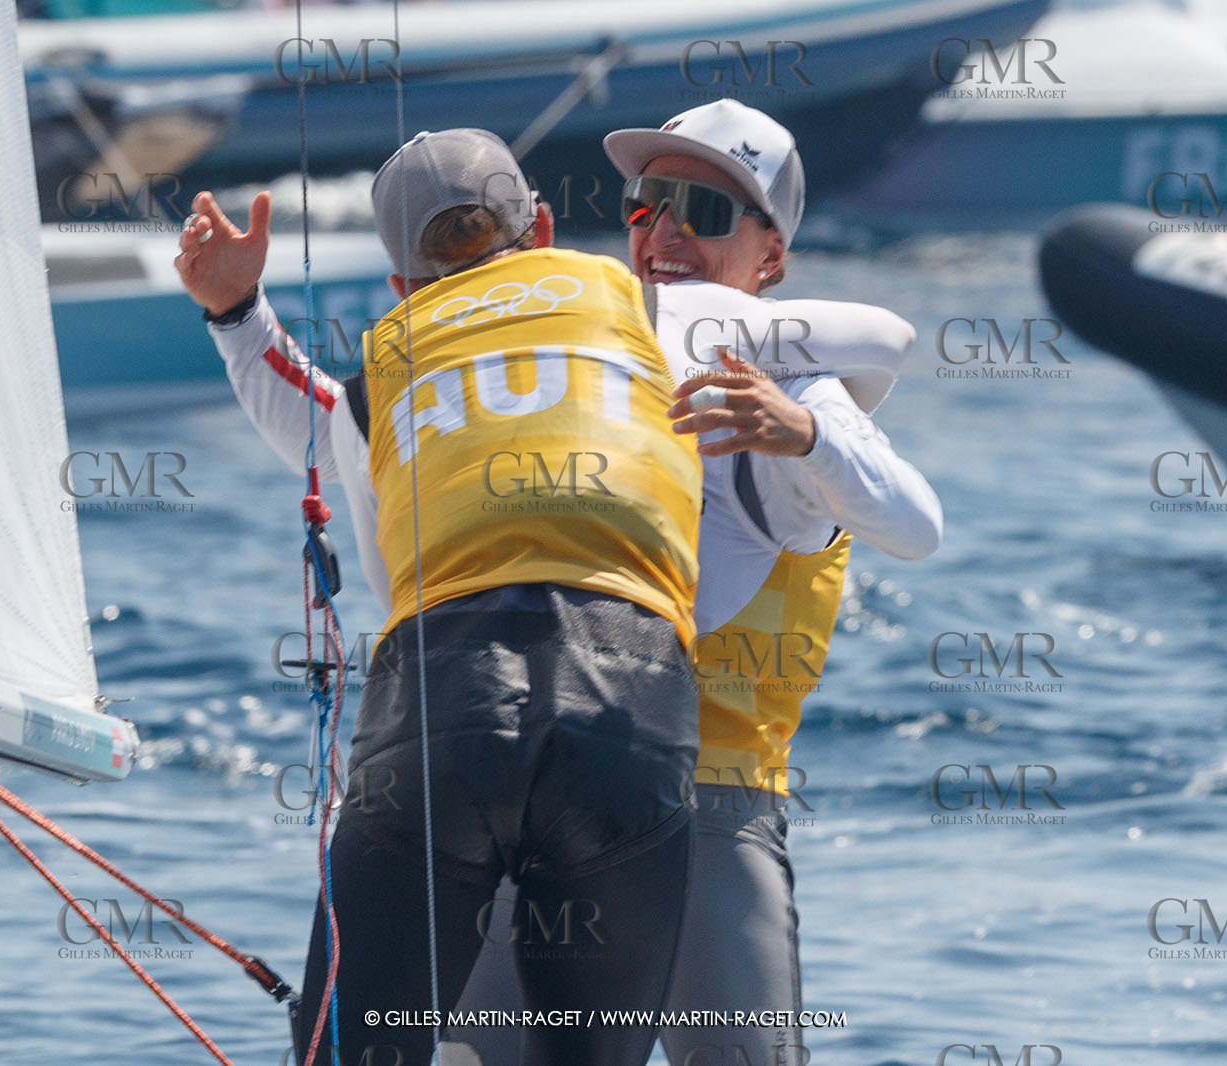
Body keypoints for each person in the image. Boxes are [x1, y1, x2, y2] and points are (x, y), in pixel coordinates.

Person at [174, 129, 705, 1066]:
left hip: (441, 706)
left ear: (399, 290)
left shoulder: (380, 375)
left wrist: (236, 314)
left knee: (350, 1052)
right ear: (541, 227)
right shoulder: (644, 308)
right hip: (630, 705)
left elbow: (321, 428)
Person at [449, 99, 943, 1065]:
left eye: (707, 213)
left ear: (771, 258)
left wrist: (804, 438)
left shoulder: (799, 384)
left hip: (711, 807)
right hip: (549, 790)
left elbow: (918, 524)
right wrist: (237, 319)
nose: (668, 233)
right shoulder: (588, 361)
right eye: (648, 205)